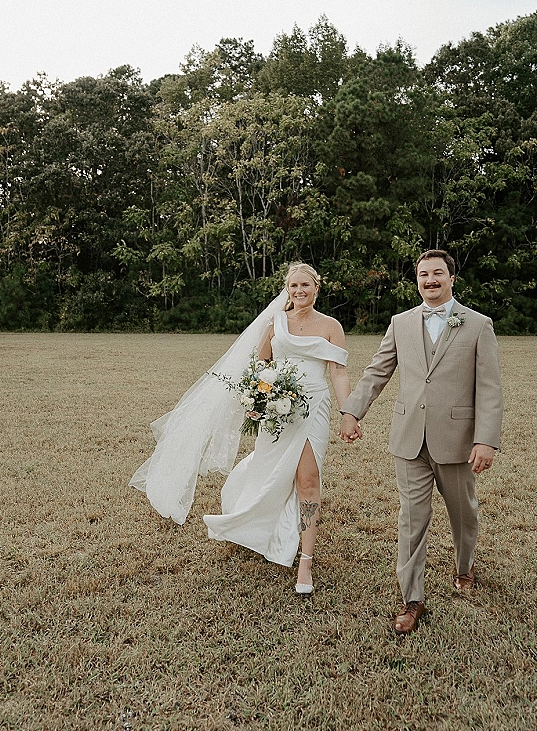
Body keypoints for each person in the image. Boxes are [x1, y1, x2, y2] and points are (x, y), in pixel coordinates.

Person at [130, 262, 352, 595]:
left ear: (316, 288)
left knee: (308, 479)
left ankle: (305, 558)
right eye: (293, 286)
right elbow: (262, 364)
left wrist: (349, 413)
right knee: (269, 470)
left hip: (313, 411)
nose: (299, 291)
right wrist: (262, 396)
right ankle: (255, 523)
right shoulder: (277, 323)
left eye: (305, 285)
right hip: (279, 410)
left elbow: (338, 373)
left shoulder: (331, 326)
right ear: (287, 290)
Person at [339, 249, 503, 633]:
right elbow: (377, 371)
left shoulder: (478, 325)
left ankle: (465, 567)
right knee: (411, 521)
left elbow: (490, 389)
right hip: (409, 437)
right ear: (417, 280)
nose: (430, 280)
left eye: (437, 274)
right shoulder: (400, 323)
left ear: (451, 278)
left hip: (457, 440)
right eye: (423, 274)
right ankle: (412, 599)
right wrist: (351, 411)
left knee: (463, 515)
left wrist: (486, 440)